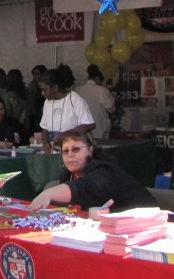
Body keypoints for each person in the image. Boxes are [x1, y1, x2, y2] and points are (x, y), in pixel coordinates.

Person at [29, 131, 157, 213]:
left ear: (90, 150)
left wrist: (48, 194)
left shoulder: (105, 170)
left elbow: (88, 187)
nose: (70, 155)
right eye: (65, 151)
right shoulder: (68, 175)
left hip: (143, 226)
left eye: (76, 149)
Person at [38, 65, 95, 153]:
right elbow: (44, 126)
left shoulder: (75, 100)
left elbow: (89, 124)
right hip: (55, 150)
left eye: (45, 90)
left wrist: (66, 134)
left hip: (74, 150)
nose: (42, 93)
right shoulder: (47, 102)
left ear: (55, 87)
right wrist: (45, 143)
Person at [74, 64, 116, 139]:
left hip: (82, 132)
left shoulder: (77, 90)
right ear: (97, 79)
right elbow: (111, 108)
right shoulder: (102, 91)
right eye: (101, 81)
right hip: (99, 131)